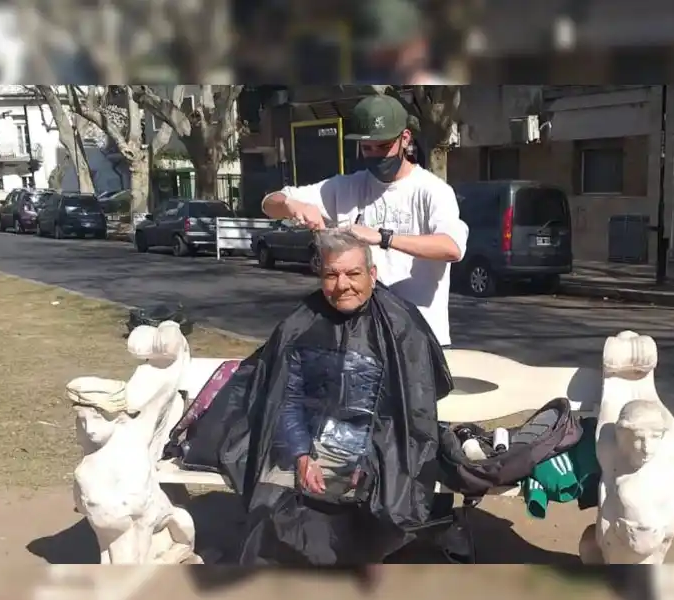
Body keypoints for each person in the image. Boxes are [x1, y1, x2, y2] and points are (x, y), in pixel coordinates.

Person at [179, 228, 454, 566]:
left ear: (372, 274)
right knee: (272, 507)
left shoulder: (401, 326)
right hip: (309, 438)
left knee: (376, 513)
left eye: (353, 274)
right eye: (331, 275)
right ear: (320, 275)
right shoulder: (301, 323)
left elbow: (411, 413)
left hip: (383, 446)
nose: (342, 285)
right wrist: (300, 454)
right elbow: (286, 398)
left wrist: (370, 461)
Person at [261, 93, 468, 347]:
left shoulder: (431, 191)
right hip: (361, 338)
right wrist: (292, 204)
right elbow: (269, 204)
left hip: (418, 338)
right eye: (367, 148)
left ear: (405, 139)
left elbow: (451, 248)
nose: (375, 155)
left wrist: (384, 237)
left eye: (383, 147)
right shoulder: (345, 187)